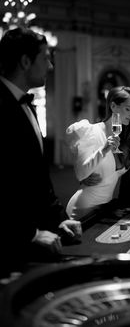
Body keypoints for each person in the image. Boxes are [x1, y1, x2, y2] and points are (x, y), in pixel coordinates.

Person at [0, 27, 82, 278]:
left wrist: (57, 219)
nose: (51, 66)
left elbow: (37, 177)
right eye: (46, 58)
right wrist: (29, 234)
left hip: (36, 237)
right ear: (25, 61)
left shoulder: (28, 105)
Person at [66, 86, 130, 222]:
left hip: (104, 211)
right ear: (113, 106)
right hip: (81, 209)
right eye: (128, 109)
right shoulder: (92, 132)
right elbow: (81, 174)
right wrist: (103, 150)